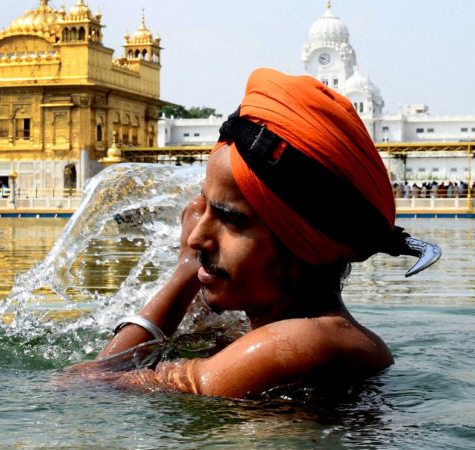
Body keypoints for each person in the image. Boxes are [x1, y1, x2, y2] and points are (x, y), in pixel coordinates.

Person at [75, 68, 441, 398]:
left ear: (305, 242)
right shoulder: (286, 335)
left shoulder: (302, 343)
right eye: (204, 208)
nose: (195, 236)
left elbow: (88, 385)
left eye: (231, 220)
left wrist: (185, 271)